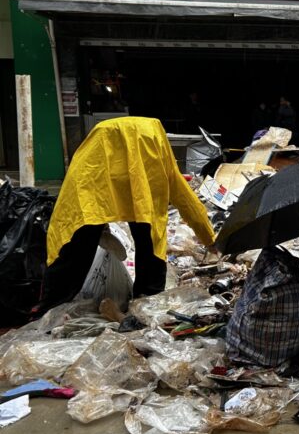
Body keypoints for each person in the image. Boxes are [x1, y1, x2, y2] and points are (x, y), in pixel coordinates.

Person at [40, 117, 215, 312]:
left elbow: (64, 219)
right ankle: (147, 304)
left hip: (94, 184)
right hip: (139, 193)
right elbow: (185, 198)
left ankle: (51, 308)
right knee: (150, 241)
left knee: (77, 242)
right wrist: (210, 239)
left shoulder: (92, 157)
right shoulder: (152, 143)